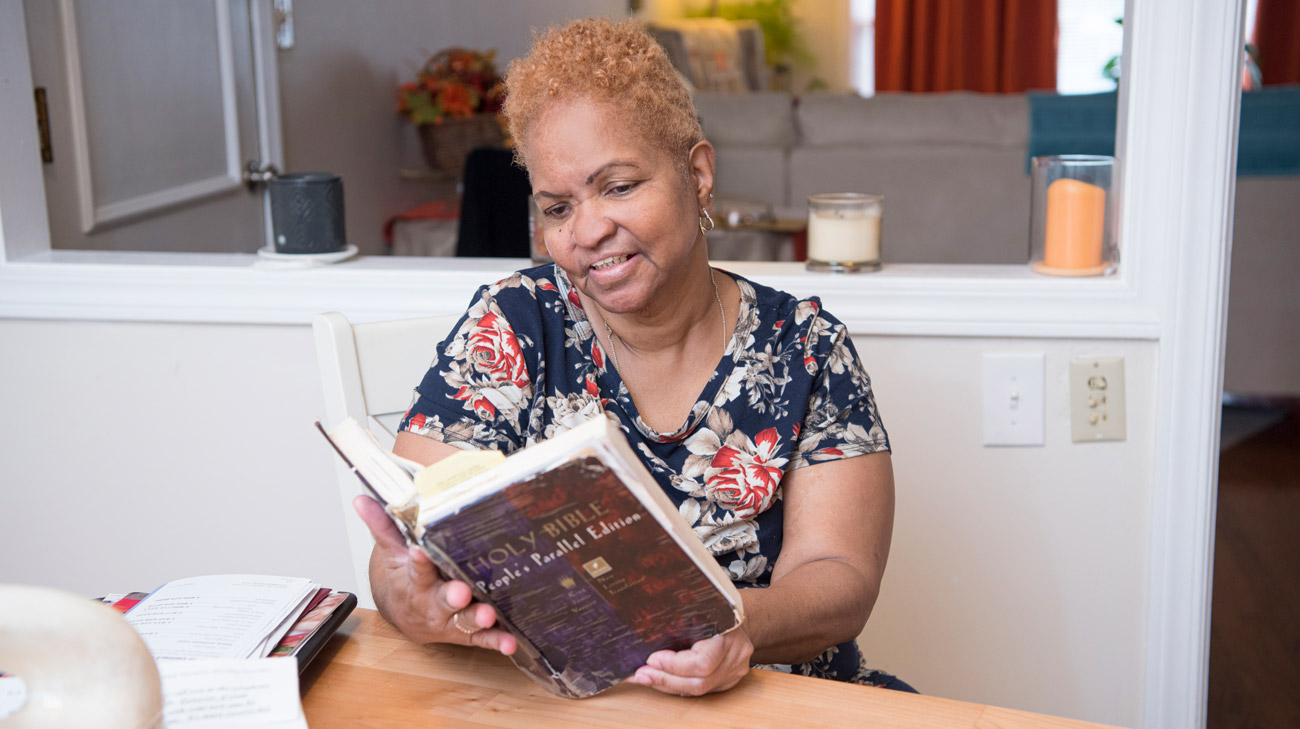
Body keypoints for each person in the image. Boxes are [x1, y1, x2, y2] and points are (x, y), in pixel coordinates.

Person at [354, 17, 908, 696]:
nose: (588, 231)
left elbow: (839, 575)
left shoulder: (807, 349)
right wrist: (410, 598)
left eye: (618, 187)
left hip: (770, 698)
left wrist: (741, 624)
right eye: (558, 208)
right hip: (566, 708)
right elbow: (410, 541)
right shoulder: (513, 326)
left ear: (697, 174)